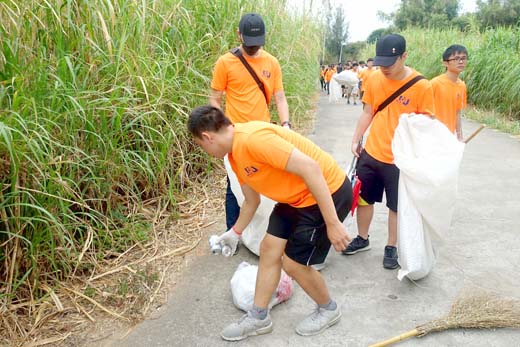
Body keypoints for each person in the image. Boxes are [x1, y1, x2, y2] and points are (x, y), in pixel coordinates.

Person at [187, 105, 352, 341]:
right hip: (294, 197)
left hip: (326, 191)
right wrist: (234, 233)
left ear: (207, 137)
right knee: (269, 249)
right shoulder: (234, 155)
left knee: (293, 264)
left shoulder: (253, 140)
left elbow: (311, 169)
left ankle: (329, 309)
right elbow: (251, 201)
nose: (204, 150)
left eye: (201, 145)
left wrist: (333, 222)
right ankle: (259, 316)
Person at [343, 34, 435, 269]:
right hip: (372, 152)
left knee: (396, 205)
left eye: (389, 63)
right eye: (380, 62)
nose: (383, 68)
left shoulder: (421, 86)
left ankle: (391, 246)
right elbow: (368, 112)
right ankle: (362, 238)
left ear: (404, 56)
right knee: (363, 198)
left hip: (399, 159)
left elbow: (426, 124)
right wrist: (356, 139)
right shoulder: (375, 78)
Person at [209, 13, 291, 230]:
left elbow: (280, 97)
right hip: (235, 136)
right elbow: (214, 99)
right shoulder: (225, 62)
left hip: (263, 133)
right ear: (239, 35)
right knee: (234, 184)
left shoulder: (271, 62)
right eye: (249, 43)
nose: (254, 48)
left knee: (266, 181)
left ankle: (264, 230)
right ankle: (232, 232)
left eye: (258, 43)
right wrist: (224, 127)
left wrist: (286, 125)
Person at [431, 44, 468, 141]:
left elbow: (457, 113)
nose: (460, 62)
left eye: (463, 58)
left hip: (449, 137)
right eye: (456, 59)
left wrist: (459, 137)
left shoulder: (461, 85)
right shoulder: (435, 84)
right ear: (445, 63)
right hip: (433, 137)